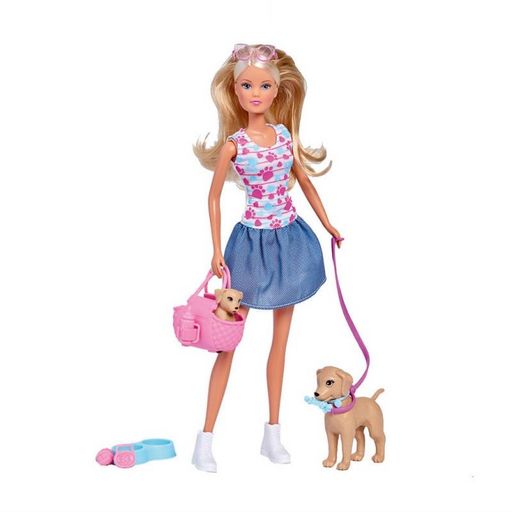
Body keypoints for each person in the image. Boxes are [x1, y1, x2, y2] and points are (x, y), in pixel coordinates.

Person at [191, 43, 343, 472]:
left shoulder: (283, 137)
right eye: (246, 86)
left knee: (280, 343)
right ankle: (205, 440)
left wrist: (328, 223)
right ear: (234, 91)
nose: (255, 93)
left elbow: (306, 183)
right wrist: (216, 249)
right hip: (249, 248)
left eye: (263, 86)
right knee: (228, 342)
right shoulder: (234, 146)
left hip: (289, 244)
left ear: (278, 90)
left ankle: (272, 435)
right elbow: (213, 197)